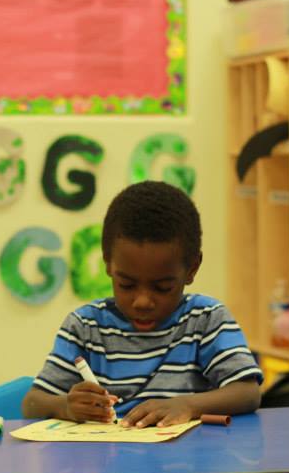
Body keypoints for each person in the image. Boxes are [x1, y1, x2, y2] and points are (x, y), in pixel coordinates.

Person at [22, 181, 262, 428]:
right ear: (108, 264)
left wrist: (188, 405)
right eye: (126, 284)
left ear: (192, 268)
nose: (143, 301)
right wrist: (65, 406)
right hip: (106, 462)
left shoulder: (206, 320)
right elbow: (33, 403)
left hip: (185, 463)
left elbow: (247, 392)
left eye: (162, 287)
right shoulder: (85, 326)